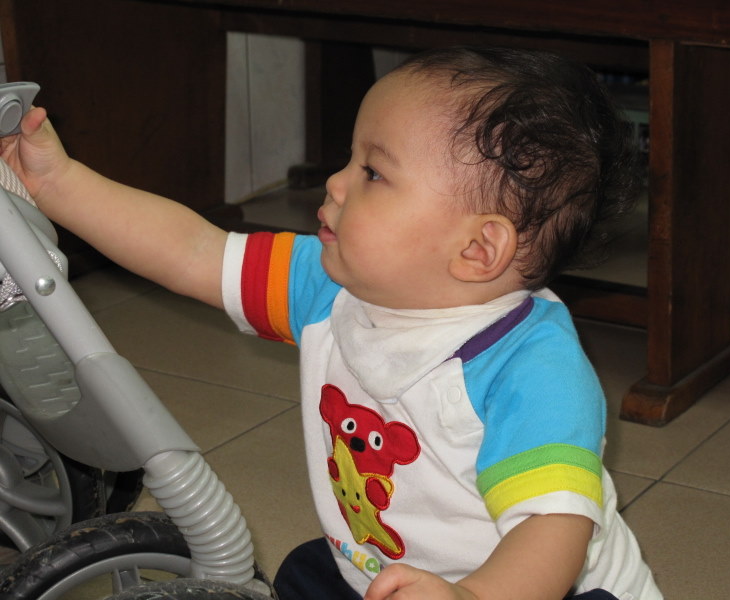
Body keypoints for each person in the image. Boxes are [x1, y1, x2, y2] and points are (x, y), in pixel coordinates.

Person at [0, 46, 662, 600]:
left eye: (372, 172)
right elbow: (194, 252)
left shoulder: (532, 369)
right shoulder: (330, 286)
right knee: (306, 575)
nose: (335, 184)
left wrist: (470, 597)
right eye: (349, 158)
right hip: (379, 569)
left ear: (476, 248)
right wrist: (59, 184)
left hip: (538, 589)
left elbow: (552, 529)